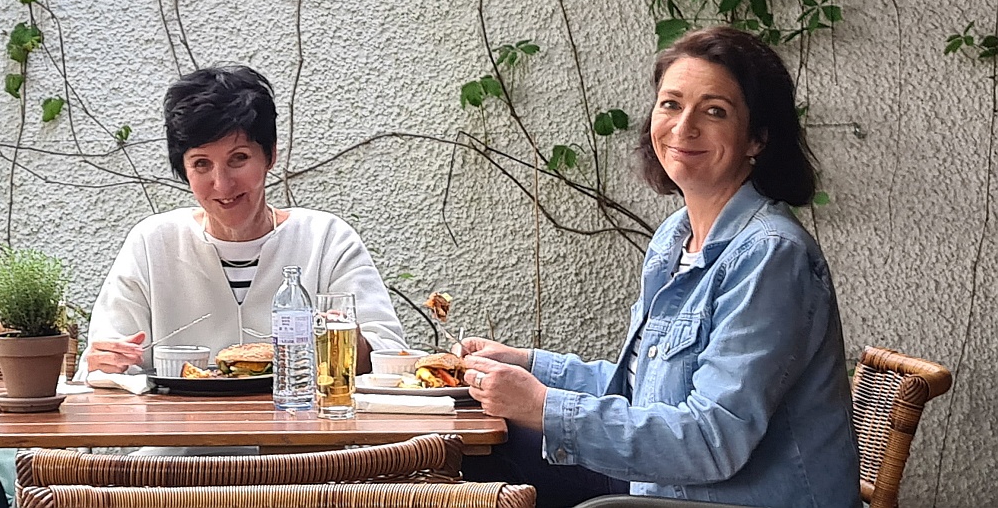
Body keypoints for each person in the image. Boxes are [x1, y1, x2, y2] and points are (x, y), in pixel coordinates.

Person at [457, 26, 860, 508]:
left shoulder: (771, 256)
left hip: (734, 499)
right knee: (478, 460)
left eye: (715, 111)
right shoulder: (675, 237)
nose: (684, 127)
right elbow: (641, 390)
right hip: (669, 489)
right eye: (671, 104)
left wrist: (543, 407)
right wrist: (529, 366)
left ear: (757, 138)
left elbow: (713, 439)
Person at [83, 65, 406, 377]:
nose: (222, 185)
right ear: (184, 170)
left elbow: (389, 356)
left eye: (239, 158)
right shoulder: (153, 242)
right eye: (201, 164)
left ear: (270, 156)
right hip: (180, 428)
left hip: (301, 426)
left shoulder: (326, 239)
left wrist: (347, 340)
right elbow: (104, 365)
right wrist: (107, 362)